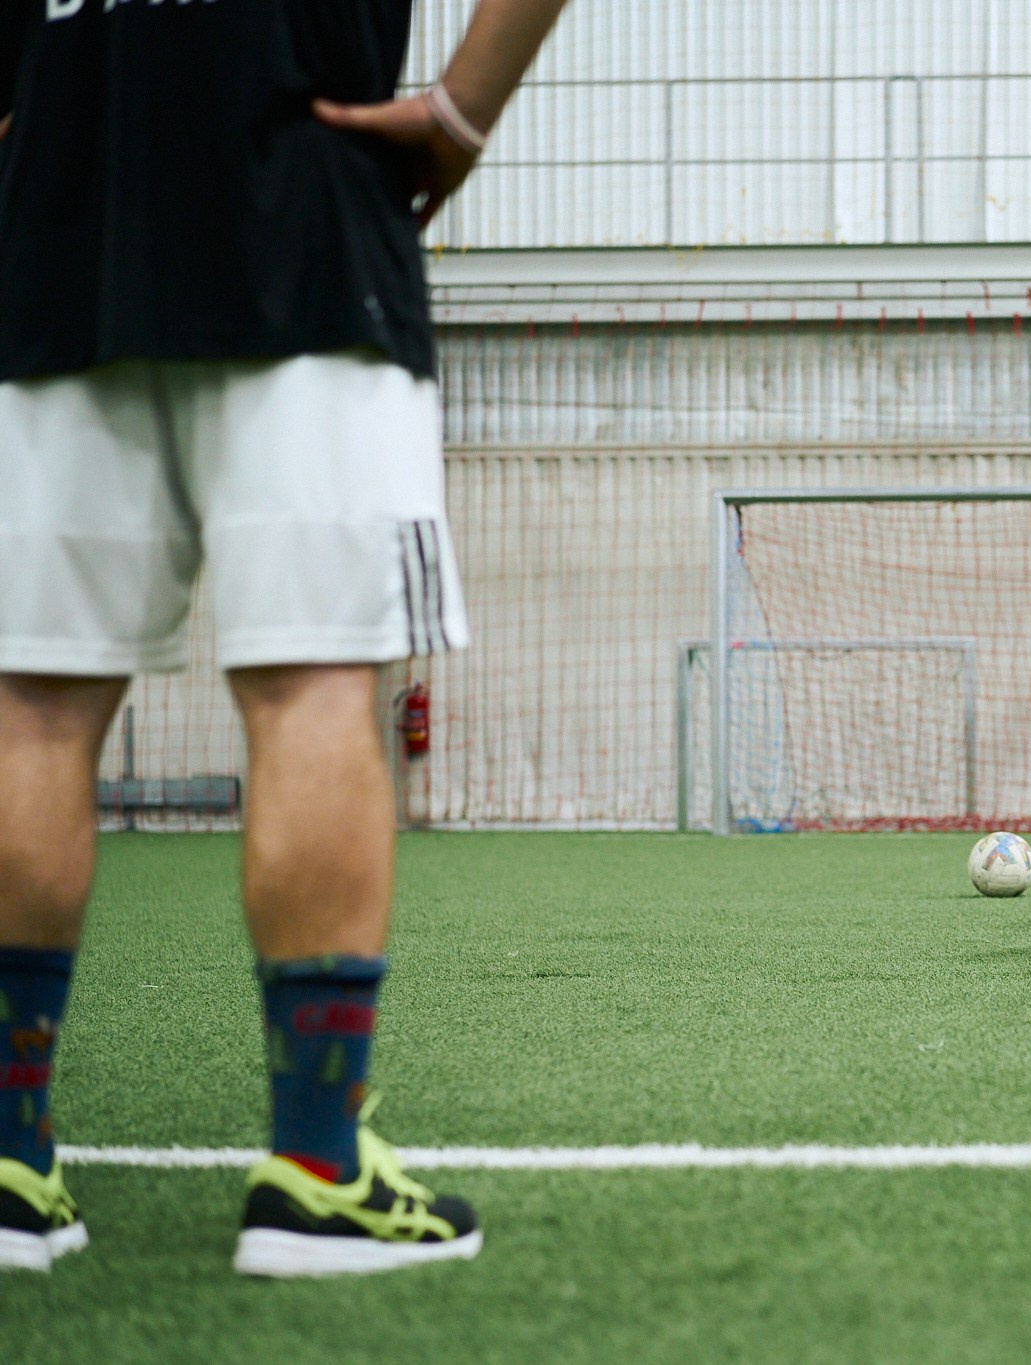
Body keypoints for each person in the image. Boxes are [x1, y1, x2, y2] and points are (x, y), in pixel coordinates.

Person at [0, 0, 570, 1277]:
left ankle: (6, 1162)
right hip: (308, 198)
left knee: (30, 700)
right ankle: (315, 1171)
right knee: (313, 684)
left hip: (54, 217)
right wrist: (462, 112)